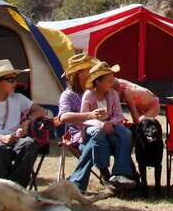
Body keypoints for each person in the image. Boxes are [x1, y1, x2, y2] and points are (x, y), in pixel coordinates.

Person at [0, 59, 49, 187]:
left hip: (16, 139)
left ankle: (16, 189)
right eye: (11, 80)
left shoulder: (18, 98)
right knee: (0, 149)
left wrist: (27, 122)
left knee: (30, 144)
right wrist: (0, 138)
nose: (15, 83)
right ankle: (4, 189)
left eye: (15, 79)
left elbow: (41, 110)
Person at [80, 60, 136, 190]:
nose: (113, 83)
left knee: (126, 133)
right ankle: (104, 170)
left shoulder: (113, 94)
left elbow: (119, 115)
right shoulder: (89, 95)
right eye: (109, 80)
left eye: (113, 79)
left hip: (110, 126)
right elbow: (84, 117)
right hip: (92, 128)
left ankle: (120, 173)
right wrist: (100, 125)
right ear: (98, 82)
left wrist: (110, 123)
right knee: (99, 134)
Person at [57, 53, 110, 192]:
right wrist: (89, 115)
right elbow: (63, 117)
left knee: (99, 138)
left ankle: (77, 182)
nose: (93, 72)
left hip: (104, 132)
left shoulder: (98, 91)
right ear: (79, 73)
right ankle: (106, 174)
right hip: (79, 137)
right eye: (89, 69)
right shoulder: (69, 95)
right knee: (93, 141)